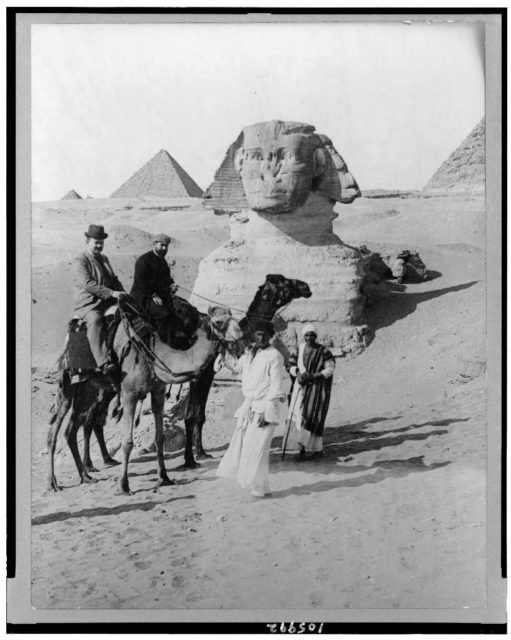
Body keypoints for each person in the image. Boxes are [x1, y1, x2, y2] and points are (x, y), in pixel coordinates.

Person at [216, 319, 287, 498]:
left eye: (265, 334)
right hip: (249, 407)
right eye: (258, 334)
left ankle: (257, 489)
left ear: (270, 336)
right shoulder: (249, 355)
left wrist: (267, 411)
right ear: (253, 336)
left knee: (257, 449)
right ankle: (263, 488)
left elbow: (277, 386)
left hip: (264, 408)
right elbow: (236, 366)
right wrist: (223, 352)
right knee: (251, 449)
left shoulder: (274, 356)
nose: (261, 337)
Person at [73, 224, 127, 375]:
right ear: (87, 241)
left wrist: (123, 293)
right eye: (96, 242)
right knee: (95, 320)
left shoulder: (104, 258)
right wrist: (111, 293)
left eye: (101, 243)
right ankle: (103, 362)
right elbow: (87, 284)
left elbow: (113, 278)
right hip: (89, 303)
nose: (99, 246)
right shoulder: (80, 260)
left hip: (107, 300)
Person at [289, 323, 335, 461]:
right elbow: (290, 365)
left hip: (316, 389)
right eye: (307, 335)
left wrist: (312, 376)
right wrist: (298, 374)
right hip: (300, 387)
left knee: (314, 416)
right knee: (298, 416)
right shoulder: (298, 349)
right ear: (304, 336)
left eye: (312, 335)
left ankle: (317, 450)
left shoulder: (324, 351)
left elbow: (330, 369)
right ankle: (301, 448)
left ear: (316, 336)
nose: (309, 338)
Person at [130, 233, 177, 340]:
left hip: (158, 296)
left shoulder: (162, 261)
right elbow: (140, 282)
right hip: (142, 297)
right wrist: (153, 295)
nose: (164, 248)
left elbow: (166, 279)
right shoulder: (143, 261)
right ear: (154, 244)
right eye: (162, 245)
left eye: (166, 246)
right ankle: (161, 340)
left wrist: (172, 285)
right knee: (164, 313)